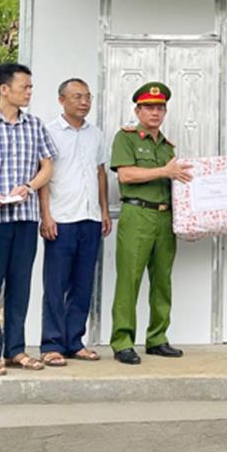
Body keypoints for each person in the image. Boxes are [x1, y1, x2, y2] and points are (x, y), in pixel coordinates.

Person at [0, 62, 56, 376]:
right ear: (4, 89)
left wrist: (30, 186)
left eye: (31, 87)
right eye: (25, 87)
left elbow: (47, 168)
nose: (29, 92)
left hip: (25, 215)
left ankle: (15, 350)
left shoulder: (35, 125)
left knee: (20, 283)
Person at [108, 82, 193, 365]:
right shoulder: (126, 138)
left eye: (160, 108)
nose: (155, 113)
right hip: (137, 216)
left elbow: (178, 183)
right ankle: (122, 341)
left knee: (162, 280)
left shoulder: (168, 147)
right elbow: (126, 175)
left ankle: (157, 338)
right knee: (129, 280)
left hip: (165, 216)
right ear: (138, 110)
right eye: (149, 107)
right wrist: (164, 171)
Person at [37, 78, 112, 366]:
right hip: (61, 218)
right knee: (56, 285)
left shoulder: (96, 134)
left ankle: (74, 341)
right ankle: (52, 344)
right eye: (77, 96)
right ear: (62, 100)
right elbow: (44, 175)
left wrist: (104, 210)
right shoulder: (49, 132)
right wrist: (46, 214)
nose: (84, 102)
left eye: (88, 97)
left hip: (90, 218)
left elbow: (100, 173)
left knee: (83, 284)